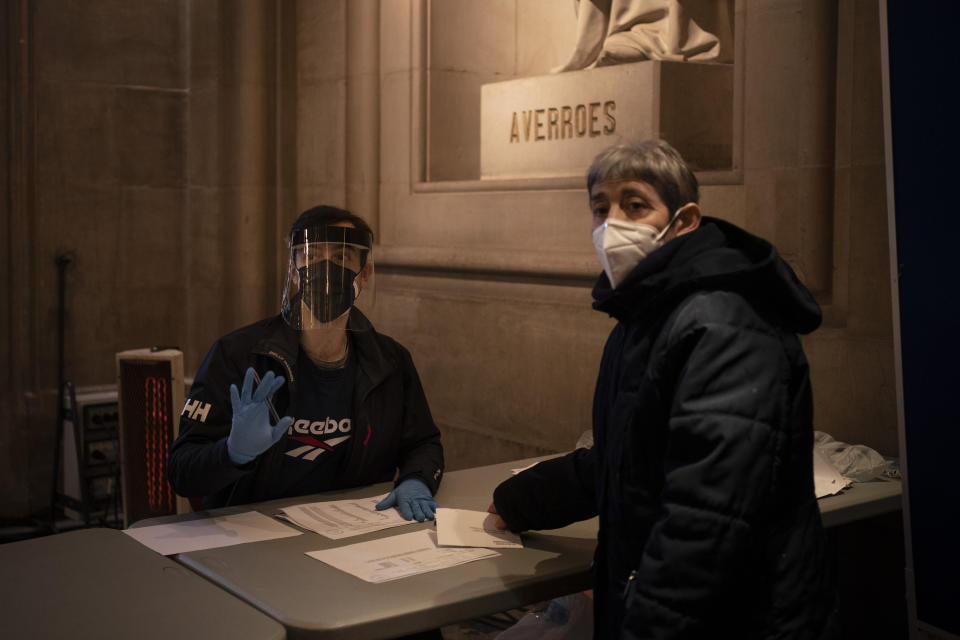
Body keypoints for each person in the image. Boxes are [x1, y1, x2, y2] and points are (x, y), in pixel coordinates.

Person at [490, 140, 838, 637]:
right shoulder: (644, 316)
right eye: (600, 208)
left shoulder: (723, 322)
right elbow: (631, 454)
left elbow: (705, 518)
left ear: (685, 220)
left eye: (635, 205)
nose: (612, 224)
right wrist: (523, 499)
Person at [168, 205, 443, 521]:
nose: (327, 269)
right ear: (295, 272)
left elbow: (424, 442)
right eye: (312, 257)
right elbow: (181, 471)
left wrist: (416, 478)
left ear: (365, 273)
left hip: (354, 530)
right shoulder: (237, 356)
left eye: (341, 258)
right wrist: (232, 453)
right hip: (256, 535)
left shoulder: (390, 362)